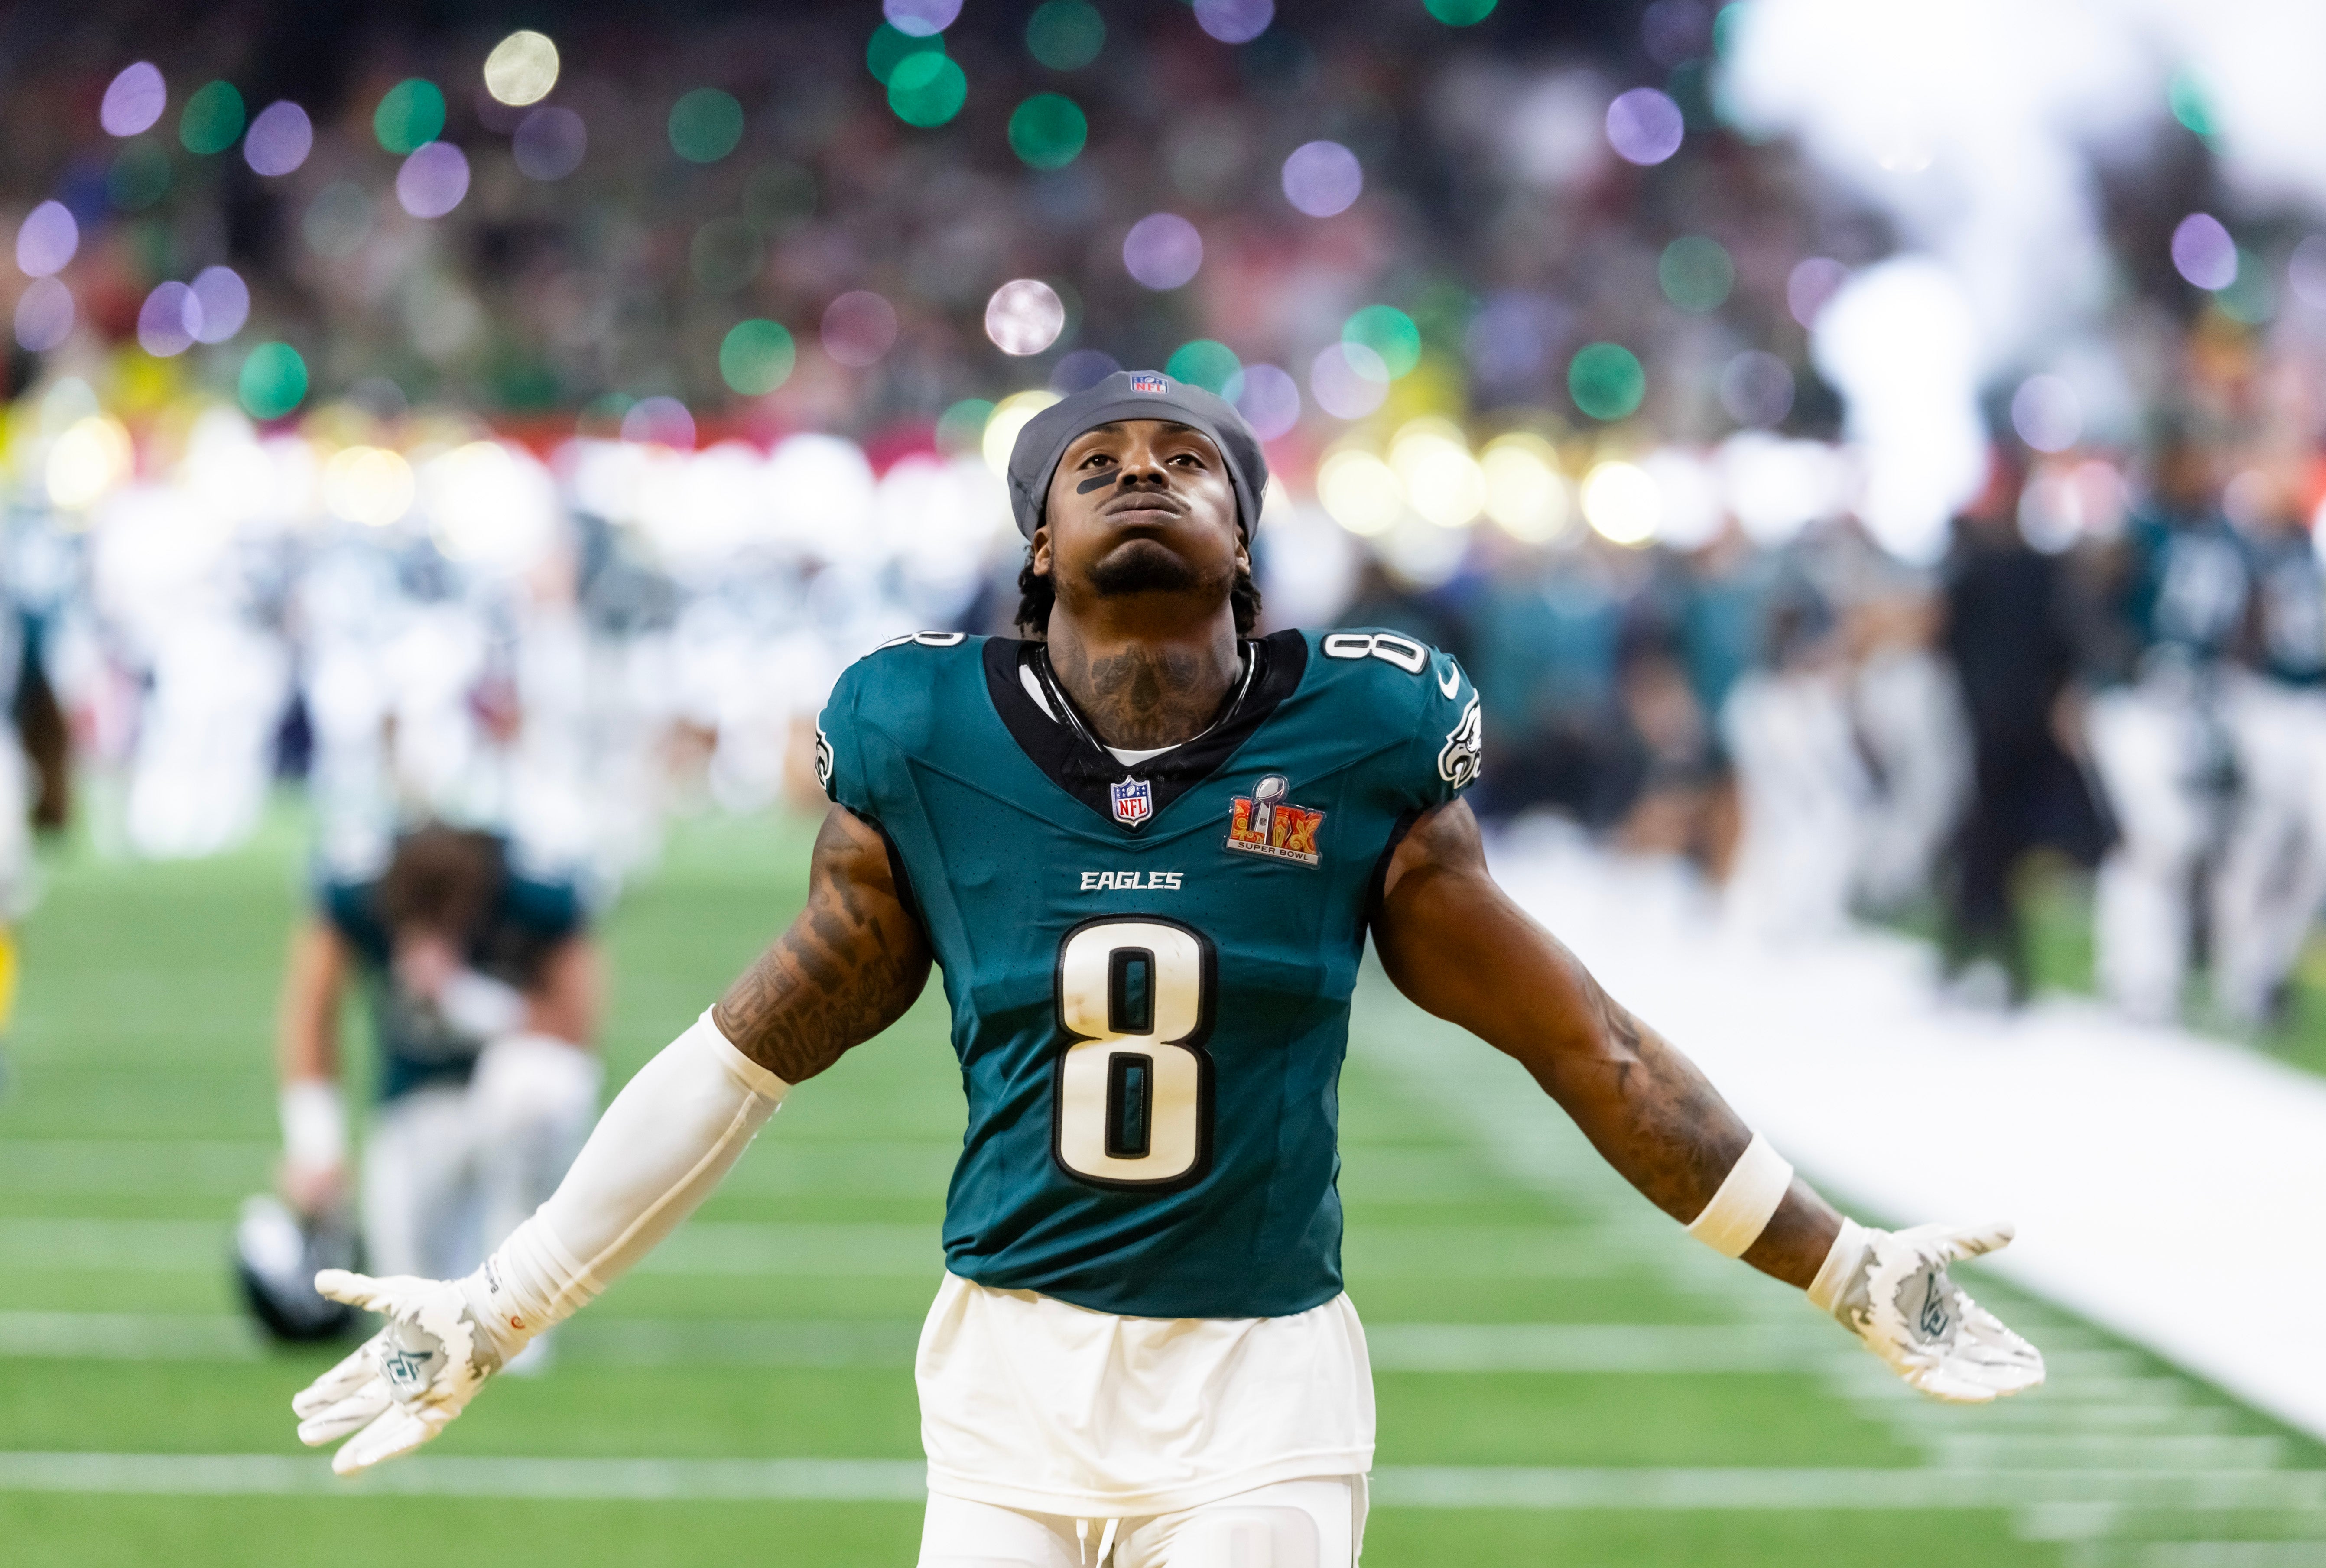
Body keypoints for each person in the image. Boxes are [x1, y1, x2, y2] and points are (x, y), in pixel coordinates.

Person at [288, 373, 2042, 1567]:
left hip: (1261, 1382)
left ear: (1245, 543)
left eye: (1186, 458)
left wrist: (1841, 1267)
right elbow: (742, 1053)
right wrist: (501, 1298)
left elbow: (1588, 1045)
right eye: (1098, 461)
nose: (1143, 468)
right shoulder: (921, 736)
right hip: (1003, 1372)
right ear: (1039, 542)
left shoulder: (1361, 736)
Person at [273, 822, 603, 1341]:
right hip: (418, 1104)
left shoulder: (533, 893)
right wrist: (317, 1144)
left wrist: (463, 997)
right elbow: (312, 1012)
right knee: (412, 1315)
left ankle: (521, 1295)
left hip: (508, 1106)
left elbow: (573, 1030)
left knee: (538, 1084)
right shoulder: (357, 891)